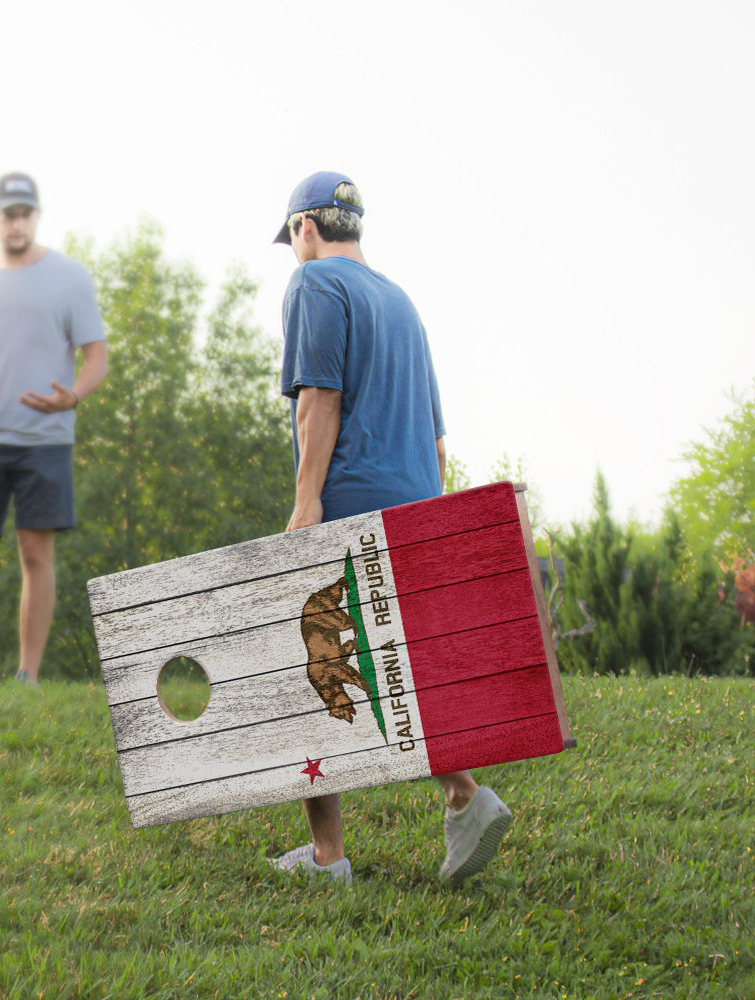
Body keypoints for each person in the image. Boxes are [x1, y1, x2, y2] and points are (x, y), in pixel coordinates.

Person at [268, 171, 512, 886]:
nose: (293, 248)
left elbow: (319, 398)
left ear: (306, 226)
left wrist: (306, 503)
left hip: (349, 498)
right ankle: (464, 796)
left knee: (314, 670)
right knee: (392, 666)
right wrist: (434, 512)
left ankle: (328, 857)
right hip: (416, 502)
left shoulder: (315, 283)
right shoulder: (402, 303)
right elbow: (436, 438)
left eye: (291, 235)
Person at [0, 172, 108, 689]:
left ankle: (27, 676)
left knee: (36, 553)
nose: (16, 223)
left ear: (36, 217)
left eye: (25, 214)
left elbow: (97, 357)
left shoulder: (70, 277)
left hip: (44, 438)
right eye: (8, 214)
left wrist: (72, 396)